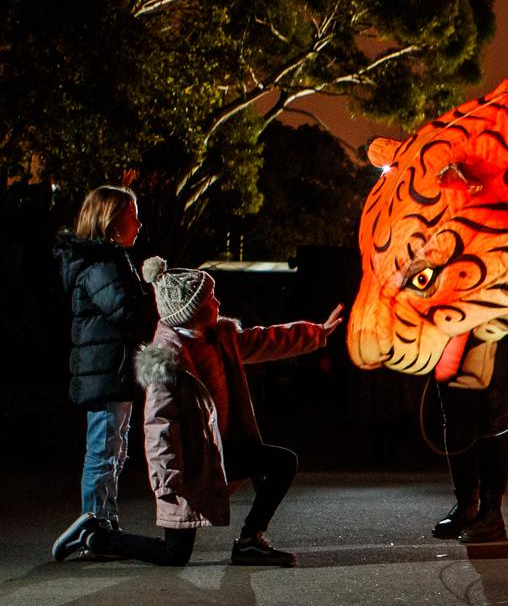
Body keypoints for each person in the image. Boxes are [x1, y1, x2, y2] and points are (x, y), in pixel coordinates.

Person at [52, 258, 343, 566]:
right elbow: (159, 426)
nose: (217, 301)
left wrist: (316, 334)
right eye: (210, 299)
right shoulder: (167, 362)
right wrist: (167, 481)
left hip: (218, 453)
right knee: (174, 555)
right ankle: (95, 535)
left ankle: (249, 540)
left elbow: (262, 340)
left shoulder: (218, 337)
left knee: (283, 462)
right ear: (193, 311)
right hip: (189, 469)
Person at [50, 185, 158, 558]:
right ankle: (93, 526)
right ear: (111, 222)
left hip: (109, 370)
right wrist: (153, 296)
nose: (140, 223)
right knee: (104, 450)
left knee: (113, 447)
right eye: (133, 215)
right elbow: (126, 312)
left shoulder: (106, 259)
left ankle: (104, 523)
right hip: (105, 371)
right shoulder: (101, 263)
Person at [430, 315, 508, 544]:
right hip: (456, 315)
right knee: (455, 408)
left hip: (506, 314)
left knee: (492, 409)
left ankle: (491, 512)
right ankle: (466, 504)